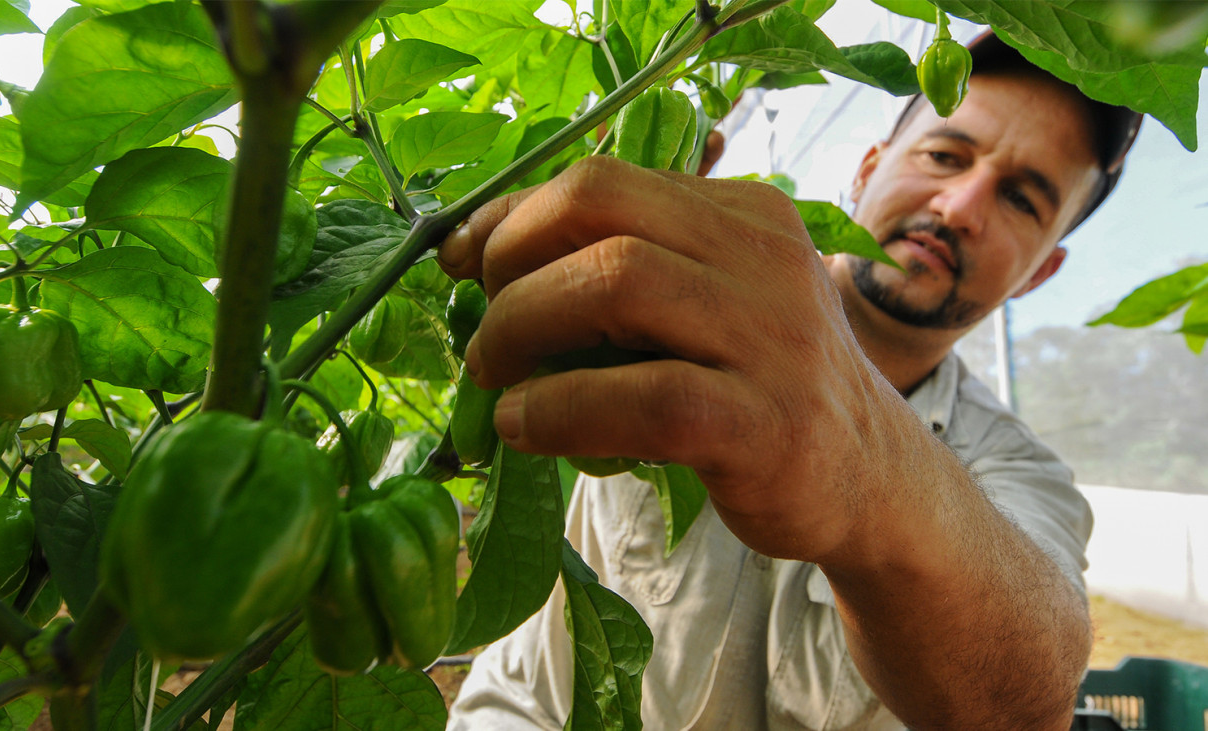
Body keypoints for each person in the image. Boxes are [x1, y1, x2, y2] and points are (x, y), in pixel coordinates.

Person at [437, 32, 1142, 730]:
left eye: (1021, 199)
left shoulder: (1016, 466)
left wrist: (869, 461)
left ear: (1042, 271)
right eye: (943, 154)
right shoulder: (667, 291)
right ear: (866, 169)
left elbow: (1030, 699)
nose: (960, 207)